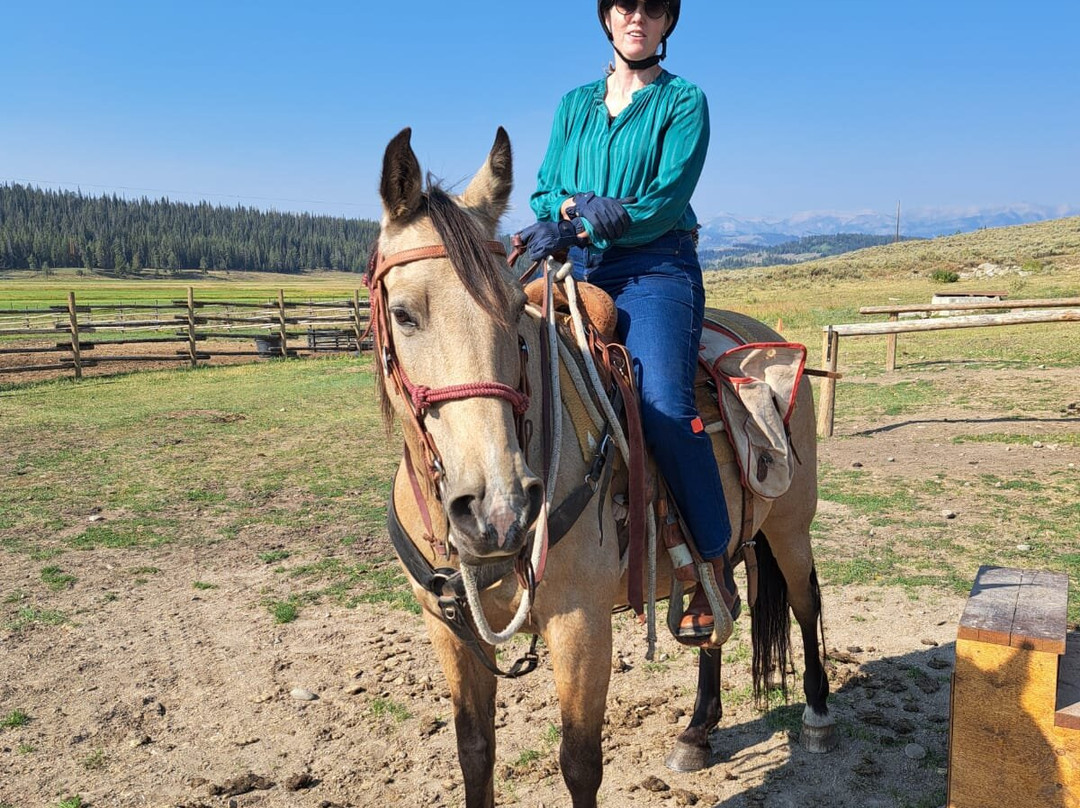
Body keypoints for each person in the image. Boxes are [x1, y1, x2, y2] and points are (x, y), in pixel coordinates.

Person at [516, 0, 739, 643]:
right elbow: (543, 188)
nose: (637, 16)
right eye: (624, 5)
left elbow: (666, 200)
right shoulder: (573, 104)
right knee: (515, 371)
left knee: (664, 401)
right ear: (607, 18)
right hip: (577, 267)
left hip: (655, 266)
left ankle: (712, 561)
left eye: (652, 7)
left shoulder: (683, 101)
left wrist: (591, 217)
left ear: (668, 22)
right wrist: (566, 208)